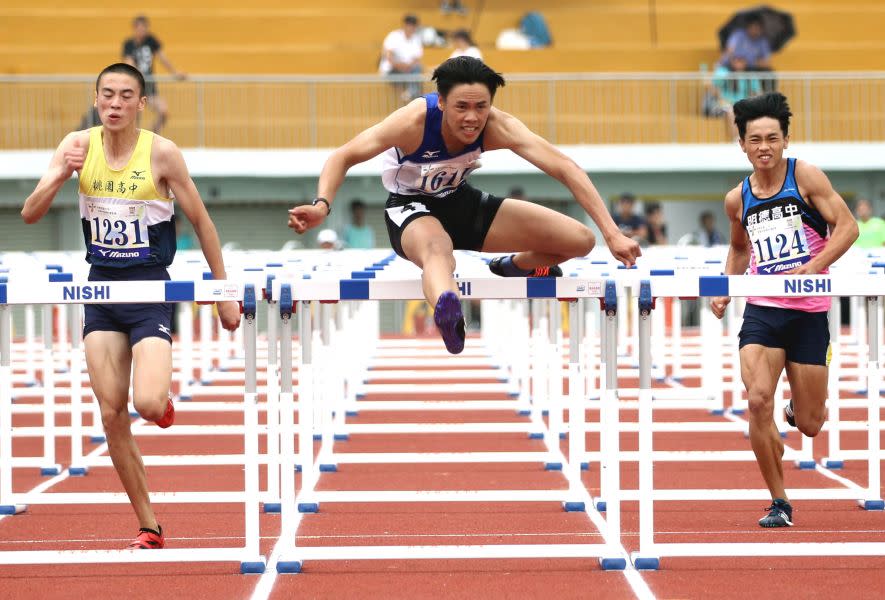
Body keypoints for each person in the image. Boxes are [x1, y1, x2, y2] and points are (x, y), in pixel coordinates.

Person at [21, 63, 240, 549]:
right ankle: (149, 524)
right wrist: (60, 173)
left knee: (144, 404)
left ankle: (159, 400)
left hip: (148, 292)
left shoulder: (162, 154)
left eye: (125, 96)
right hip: (101, 291)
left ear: (141, 104)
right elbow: (30, 213)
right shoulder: (75, 146)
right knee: (111, 413)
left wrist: (223, 295)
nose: (115, 104)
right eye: (107, 95)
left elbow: (203, 224)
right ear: (97, 99)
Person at [288, 57, 640, 355]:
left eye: (481, 107)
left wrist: (612, 233)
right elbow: (343, 155)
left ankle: (516, 266)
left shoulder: (498, 125)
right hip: (410, 209)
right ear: (440, 102)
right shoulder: (413, 122)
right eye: (461, 107)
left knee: (579, 240)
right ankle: (448, 308)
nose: (472, 118)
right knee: (438, 250)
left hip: (462, 202)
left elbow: (566, 167)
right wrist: (322, 205)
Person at [710, 92, 858, 528]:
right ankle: (780, 501)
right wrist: (726, 287)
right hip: (763, 310)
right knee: (757, 400)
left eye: (772, 138)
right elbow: (739, 250)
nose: (764, 147)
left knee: (811, 424)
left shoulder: (806, 177)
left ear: (786, 140)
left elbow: (847, 227)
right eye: (754, 139)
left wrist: (811, 268)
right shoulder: (737, 198)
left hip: (809, 311)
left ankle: (798, 410)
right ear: (742, 144)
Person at [122, 15, 186, 134]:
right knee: (135, 118)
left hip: (150, 87)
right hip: (135, 87)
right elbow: (128, 62)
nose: (142, 31)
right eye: (140, 28)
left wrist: (175, 72)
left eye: (144, 28)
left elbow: (162, 58)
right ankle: (133, 142)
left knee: (163, 111)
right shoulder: (129, 44)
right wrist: (138, 74)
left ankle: (151, 137)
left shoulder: (151, 41)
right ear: (134, 29)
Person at [719, 14, 775, 92]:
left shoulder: (762, 41)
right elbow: (730, 50)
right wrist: (730, 62)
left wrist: (752, 62)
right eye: (754, 27)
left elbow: (766, 61)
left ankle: (769, 99)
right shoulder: (738, 35)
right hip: (734, 66)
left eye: (758, 28)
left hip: (751, 67)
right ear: (748, 27)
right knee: (727, 74)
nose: (756, 30)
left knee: (769, 73)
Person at [379, 14, 424, 103]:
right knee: (415, 74)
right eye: (409, 25)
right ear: (404, 25)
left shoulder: (416, 39)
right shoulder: (394, 36)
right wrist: (400, 66)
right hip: (392, 70)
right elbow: (388, 55)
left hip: (409, 70)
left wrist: (408, 66)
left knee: (418, 68)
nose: (411, 28)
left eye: (414, 26)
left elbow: (416, 59)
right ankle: (412, 93)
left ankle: (411, 93)